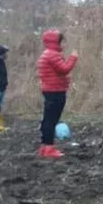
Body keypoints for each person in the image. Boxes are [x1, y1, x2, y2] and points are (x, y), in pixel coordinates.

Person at [37, 29, 78, 158]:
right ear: (56, 42)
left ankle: (45, 146)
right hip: (55, 91)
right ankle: (49, 148)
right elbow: (64, 69)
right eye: (62, 42)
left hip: (50, 90)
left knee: (48, 119)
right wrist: (73, 58)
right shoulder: (52, 54)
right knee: (52, 119)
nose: (64, 45)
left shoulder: (46, 54)